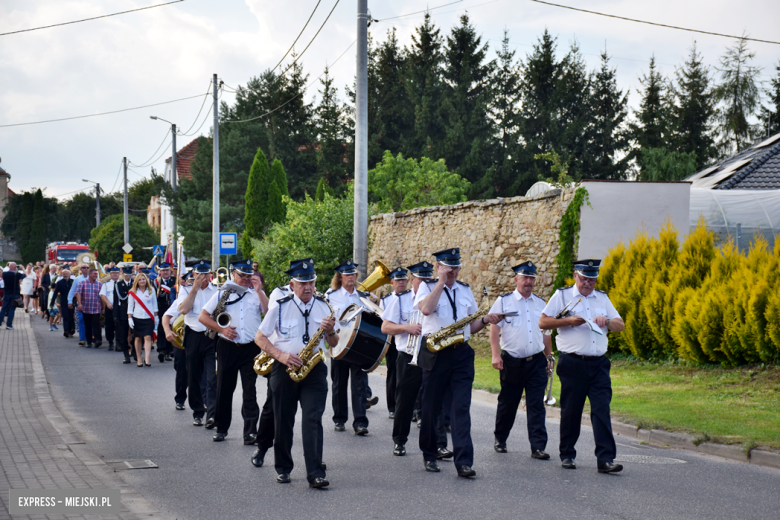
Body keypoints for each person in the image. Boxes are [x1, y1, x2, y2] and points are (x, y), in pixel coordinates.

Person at [415, 248, 501, 478]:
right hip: (435, 352)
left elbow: (470, 325)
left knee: (461, 407)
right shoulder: (426, 287)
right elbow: (426, 309)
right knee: (431, 407)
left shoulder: (464, 290)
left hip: (461, 353)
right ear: (438, 267)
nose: (453, 271)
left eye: (455, 267)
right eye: (448, 267)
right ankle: (430, 454)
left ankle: (464, 461)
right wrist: (440, 283)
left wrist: (485, 319)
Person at [255, 258, 336, 488]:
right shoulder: (279, 306)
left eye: (311, 281)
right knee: (283, 420)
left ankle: (315, 472)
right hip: (284, 368)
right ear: (292, 285)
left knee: (313, 419)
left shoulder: (325, 306)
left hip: (315, 369)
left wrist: (331, 333)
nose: (308, 286)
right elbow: (260, 338)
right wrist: (280, 356)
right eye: (302, 283)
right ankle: (283, 468)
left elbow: (333, 342)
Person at [539, 259, 625, 474]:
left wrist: (606, 320)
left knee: (601, 410)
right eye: (584, 278)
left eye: (592, 279)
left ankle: (605, 459)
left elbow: (620, 325)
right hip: (573, 363)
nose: (588, 283)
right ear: (576, 276)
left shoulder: (602, 298)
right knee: (571, 411)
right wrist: (567, 321)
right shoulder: (562, 296)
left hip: (598, 364)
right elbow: (543, 322)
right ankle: (567, 454)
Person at [490, 261, 553, 459]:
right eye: (525, 278)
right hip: (512, 361)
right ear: (515, 279)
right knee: (508, 403)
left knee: (536, 405)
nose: (528, 281)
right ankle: (500, 438)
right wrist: (495, 354)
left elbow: (546, 332)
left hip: (536, 361)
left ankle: (538, 446)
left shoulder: (541, 304)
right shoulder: (504, 301)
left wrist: (549, 356)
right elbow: (494, 329)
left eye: (531, 278)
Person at [199, 259, 267, 443]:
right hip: (227, 346)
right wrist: (222, 330)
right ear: (233, 274)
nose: (246, 278)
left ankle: (250, 431)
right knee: (224, 388)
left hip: (250, 347)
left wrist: (260, 291)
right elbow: (203, 316)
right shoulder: (223, 293)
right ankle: (221, 428)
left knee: (250, 390)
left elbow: (269, 313)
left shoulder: (256, 294)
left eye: (248, 275)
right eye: (242, 275)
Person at [326, 260, 373, 435]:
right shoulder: (330, 296)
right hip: (338, 343)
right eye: (347, 274)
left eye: (353, 274)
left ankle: (360, 422)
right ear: (340, 277)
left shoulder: (363, 296)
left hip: (359, 344)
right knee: (339, 383)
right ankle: (339, 418)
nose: (351, 277)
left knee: (359, 384)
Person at [380, 266, 422, 456]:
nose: (423, 283)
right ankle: (399, 440)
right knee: (404, 401)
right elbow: (385, 327)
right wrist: (407, 327)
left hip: (431, 355)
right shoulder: (400, 299)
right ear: (413, 279)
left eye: (428, 279)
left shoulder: (438, 298)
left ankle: (437, 443)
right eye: (420, 279)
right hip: (407, 355)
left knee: (434, 400)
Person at [176, 260, 218, 426]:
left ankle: (212, 414)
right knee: (193, 376)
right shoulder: (186, 289)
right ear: (194, 274)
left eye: (205, 274)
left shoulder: (216, 291)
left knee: (212, 378)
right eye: (199, 274)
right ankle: (197, 411)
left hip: (211, 337)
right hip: (193, 335)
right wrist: (194, 288)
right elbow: (184, 310)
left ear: (210, 275)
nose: (202, 277)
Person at [128, 272, 158, 367]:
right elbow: (130, 307)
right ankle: (139, 358)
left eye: (143, 279)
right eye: (140, 279)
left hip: (149, 318)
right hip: (137, 317)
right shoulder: (133, 292)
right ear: (137, 281)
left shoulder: (151, 290)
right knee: (137, 338)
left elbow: (154, 305)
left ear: (146, 280)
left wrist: (156, 317)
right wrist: (130, 318)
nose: (142, 281)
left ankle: (147, 358)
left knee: (148, 337)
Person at [75, 266, 103, 348]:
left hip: (96, 308)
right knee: (88, 325)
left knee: (96, 325)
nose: (96, 275)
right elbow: (78, 293)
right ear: (90, 274)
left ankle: (98, 340)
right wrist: (79, 304)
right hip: (86, 308)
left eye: (96, 274)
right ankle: (89, 341)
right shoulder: (82, 283)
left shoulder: (99, 284)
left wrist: (103, 307)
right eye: (94, 274)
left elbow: (102, 296)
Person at [155, 263, 177, 363]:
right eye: (163, 270)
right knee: (161, 329)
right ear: (160, 272)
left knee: (171, 328)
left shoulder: (174, 281)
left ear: (170, 271)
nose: (165, 272)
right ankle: (161, 350)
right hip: (161, 308)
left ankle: (169, 351)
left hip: (172, 309)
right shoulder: (156, 282)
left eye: (167, 270)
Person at [114, 266, 134, 364]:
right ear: (123, 275)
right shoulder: (118, 284)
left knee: (136, 334)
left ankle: (134, 352)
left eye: (129, 275)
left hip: (135, 312)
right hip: (122, 312)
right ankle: (126, 355)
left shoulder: (135, 283)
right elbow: (116, 300)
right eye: (126, 275)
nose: (128, 277)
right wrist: (115, 315)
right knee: (123, 335)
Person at [67, 264, 90, 345]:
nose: (86, 269)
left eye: (87, 268)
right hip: (80, 303)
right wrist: (69, 301)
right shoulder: (77, 279)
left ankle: (89, 337)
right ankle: (82, 338)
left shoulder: (92, 278)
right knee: (81, 320)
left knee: (89, 321)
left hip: (91, 304)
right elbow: (72, 290)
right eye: (84, 267)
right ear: (80, 269)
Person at [99, 267, 120, 350]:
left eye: (116, 273)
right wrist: (107, 303)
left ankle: (118, 343)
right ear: (110, 274)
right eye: (113, 273)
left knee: (119, 326)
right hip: (110, 307)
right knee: (109, 325)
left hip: (119, 307)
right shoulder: (106, 284)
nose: (115, 274)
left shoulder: (121, 284)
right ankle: (110, 342)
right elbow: (102, 295)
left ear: (119, 274)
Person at [0, 262, 26, 330]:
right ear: (15, 268)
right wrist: (22, 268)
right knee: (12, 309)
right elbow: (25, 275)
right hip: (15, 294)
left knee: (3, 308)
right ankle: (9, 325)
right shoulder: (17, 274)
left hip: (6, 293)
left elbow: (2, 273)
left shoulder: (5, 274)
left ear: (9, 267)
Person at [50, 268, 73, 336]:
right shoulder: (59, 283)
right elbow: (55, 293)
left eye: (67, 273)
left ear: (69, 274)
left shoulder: (73, 282)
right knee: (65, 316)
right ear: (62, 275)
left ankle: (71, 330)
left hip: (72, 302)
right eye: (64, 274)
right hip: (64, 301)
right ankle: (66, 331)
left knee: (71, 316)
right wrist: (52, 302)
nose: (65, 275)